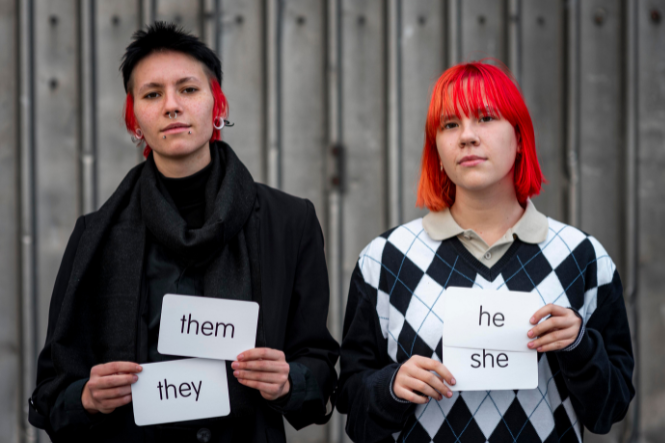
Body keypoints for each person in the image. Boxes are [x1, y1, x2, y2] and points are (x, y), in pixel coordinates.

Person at [28, 22, 339, 443]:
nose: (171, 106)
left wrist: (288, 381)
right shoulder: (95, 236)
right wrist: (86, 398)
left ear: (217, 105)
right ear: (134, 119)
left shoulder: (289, 221)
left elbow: (320, 371)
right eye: (152, 94)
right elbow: (50, 395)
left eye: (188, 89)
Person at [337, 61, 634, 442]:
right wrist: (390, 387)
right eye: (450, 125)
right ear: (436, 149)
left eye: (486, 118)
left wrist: (579, 345)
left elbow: (611, 410)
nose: (467, 136)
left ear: (520, 137)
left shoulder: (583, 257)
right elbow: (353, 410)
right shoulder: (384, 260)